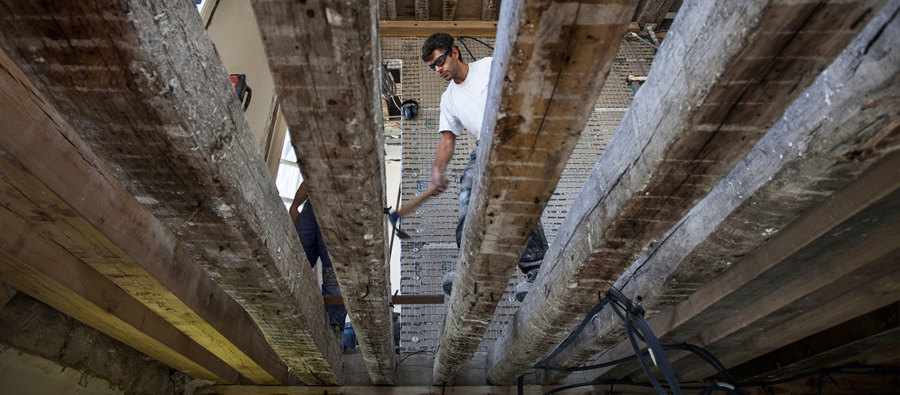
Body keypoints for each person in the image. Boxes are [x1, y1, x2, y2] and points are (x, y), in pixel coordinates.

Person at [421, 33, 548, 302]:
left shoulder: (489, 66)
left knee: (517, 202)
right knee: (468, 195)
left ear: (454, 52)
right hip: (484, 146)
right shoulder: (449, 99)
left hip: (513, 135)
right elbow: (447, 138)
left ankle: (537, 270)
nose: (438, 69)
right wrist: (437, 172)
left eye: (440, 61)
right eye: (433, 66)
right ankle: (469, 268)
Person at [289, 181, 347, 332]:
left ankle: (334, 327)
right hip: (313, 207)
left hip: (339, 211)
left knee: (333, 271)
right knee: (297, 260)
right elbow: (309, 179)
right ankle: (290, 312)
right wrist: (295, 205)